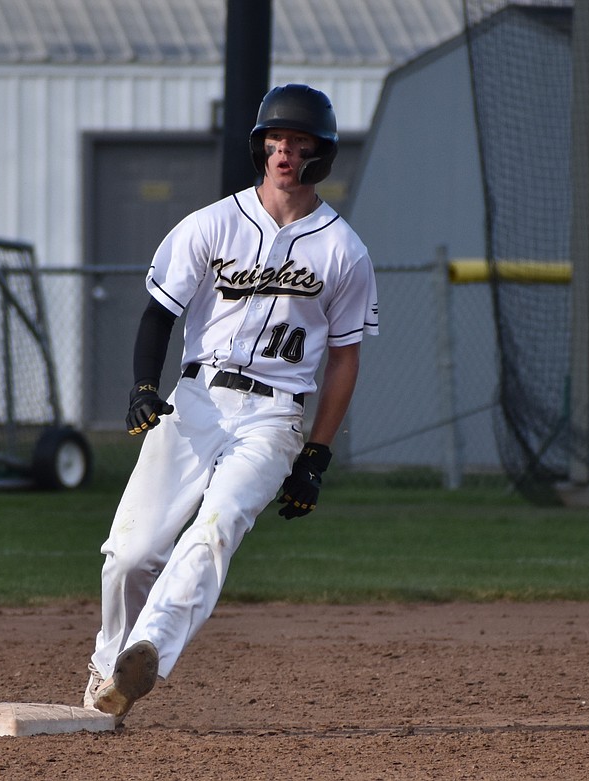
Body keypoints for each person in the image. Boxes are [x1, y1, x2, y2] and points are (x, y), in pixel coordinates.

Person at [83, 84, 379, 725]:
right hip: (196, 399)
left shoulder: (343, 250)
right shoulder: (213, 223)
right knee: (130, 554)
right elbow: (159, 313)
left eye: (298, 142)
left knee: (215, 530)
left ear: (321, 154)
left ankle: (145, 654)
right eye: (275, 140)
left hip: (275, 416)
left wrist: (316, 457)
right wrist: (143, 387)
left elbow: (345, 359)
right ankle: (109, 670)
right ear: (260, 148)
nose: (284, 152)